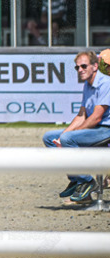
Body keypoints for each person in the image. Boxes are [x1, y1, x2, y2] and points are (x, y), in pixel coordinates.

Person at [41, 50, 110, 203]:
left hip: (106, 130)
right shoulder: (88, 84)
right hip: (95, 129)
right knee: (49, 138)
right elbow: (81, 116)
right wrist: (60, 137)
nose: (80, 70)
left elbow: (96, 117)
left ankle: (86, 181)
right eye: (77, 67)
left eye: (84, 66)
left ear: (95, 66)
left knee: (67, 138)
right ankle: (78, 180)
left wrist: (67, 136)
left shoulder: (106, 83)